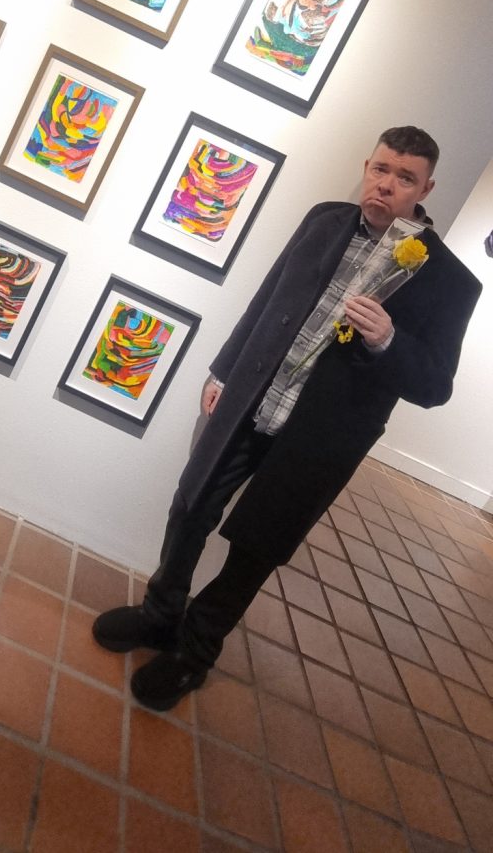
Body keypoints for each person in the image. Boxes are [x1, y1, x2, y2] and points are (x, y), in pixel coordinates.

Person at [93, 127, 482, 711]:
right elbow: (267, 297)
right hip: (253, 401)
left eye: (405, 177)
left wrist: (389, 340)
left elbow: (436, 386)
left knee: (256, 548)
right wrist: (223, 370)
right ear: (367, 166)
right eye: (380, 168)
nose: (386, 184)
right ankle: (159, 615)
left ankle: (194, 653)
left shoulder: (450, 280)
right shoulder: (324, 220)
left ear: (425, 189)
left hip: (320, 440)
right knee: (191, 506)